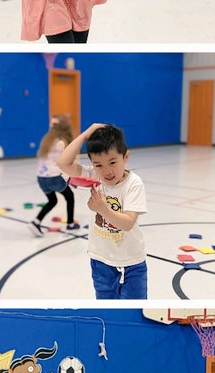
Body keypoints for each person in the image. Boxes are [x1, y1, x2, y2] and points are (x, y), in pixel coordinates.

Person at [57, 122, 148, 299]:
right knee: (106, 306)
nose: (107, 171)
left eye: (113, 162)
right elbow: (63, 163)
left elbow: (128, 223)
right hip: (101, 260)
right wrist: (86, 134)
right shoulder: (94, 175)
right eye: (98, 165)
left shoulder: (133, 183)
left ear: (126, 157)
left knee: (135, 309)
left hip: (132, 261)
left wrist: (102, 209)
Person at [32, 114, 79, 236]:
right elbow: (64, 164)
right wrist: (70, 179)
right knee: (70, 197)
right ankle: (70, 224)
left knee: (52, 200)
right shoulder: (62, 142)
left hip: (41, 178)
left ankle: (36, 222)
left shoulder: (47, 140)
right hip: (55, 178)